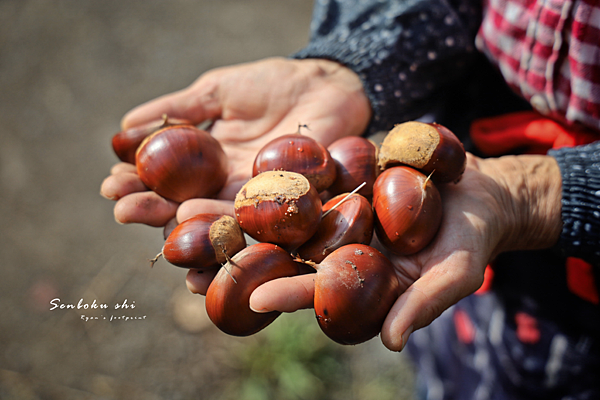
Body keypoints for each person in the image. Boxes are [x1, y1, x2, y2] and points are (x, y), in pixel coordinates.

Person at [100, 0, 600, 398]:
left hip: (583, 305)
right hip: (477, 130)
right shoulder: (354, 194)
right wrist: (354, 59)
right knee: (455, 364)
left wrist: (539, 194)